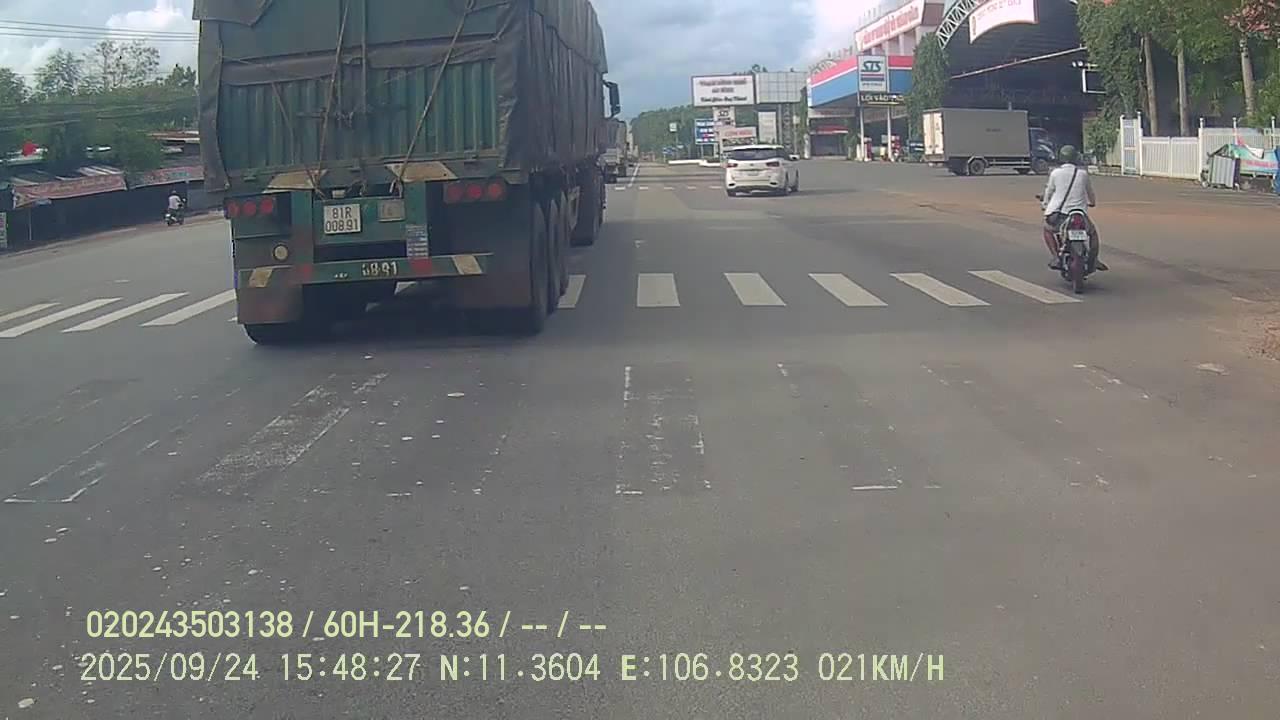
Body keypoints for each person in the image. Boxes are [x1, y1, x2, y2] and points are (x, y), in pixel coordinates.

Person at [1041, 145, 1106, 272]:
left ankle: (1056, 257)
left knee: (1047, 230)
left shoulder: (1055, 173)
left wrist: (1045, 204)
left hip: (1060, 214)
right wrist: (1092, 202)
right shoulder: (1082, 174)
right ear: (1076, 158)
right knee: (1092, 233)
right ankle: (1094, 259)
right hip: (1079, 214)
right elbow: (1090, 192)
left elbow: (1049, 192)